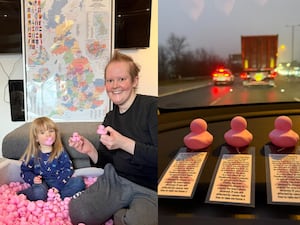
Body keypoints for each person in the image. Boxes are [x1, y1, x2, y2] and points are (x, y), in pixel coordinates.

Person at [68, 51, 158, 225]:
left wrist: (123, 143)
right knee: (78, 212)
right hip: (115, 180)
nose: (115, 85)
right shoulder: (110, 118)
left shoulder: (151, 108)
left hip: (149, 188)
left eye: (122, 79)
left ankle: (121, 214)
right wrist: (90, 150)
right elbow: (105, 162)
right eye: (110, 80)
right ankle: (118, 208)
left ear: (135, 81)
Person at [18, 117, 85, 201]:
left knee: (79, 182)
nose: (48, 135)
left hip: (58, 181)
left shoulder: (60, 151)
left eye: (51, 131)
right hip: (41, 184)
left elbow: (68, 168)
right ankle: (24, 195)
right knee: (39, 192)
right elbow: (25, 171)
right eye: (42, 132)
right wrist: (33, 178)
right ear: (36, 138)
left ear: (55, 134)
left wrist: (58, 186)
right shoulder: (32, 154)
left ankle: (53, 197)